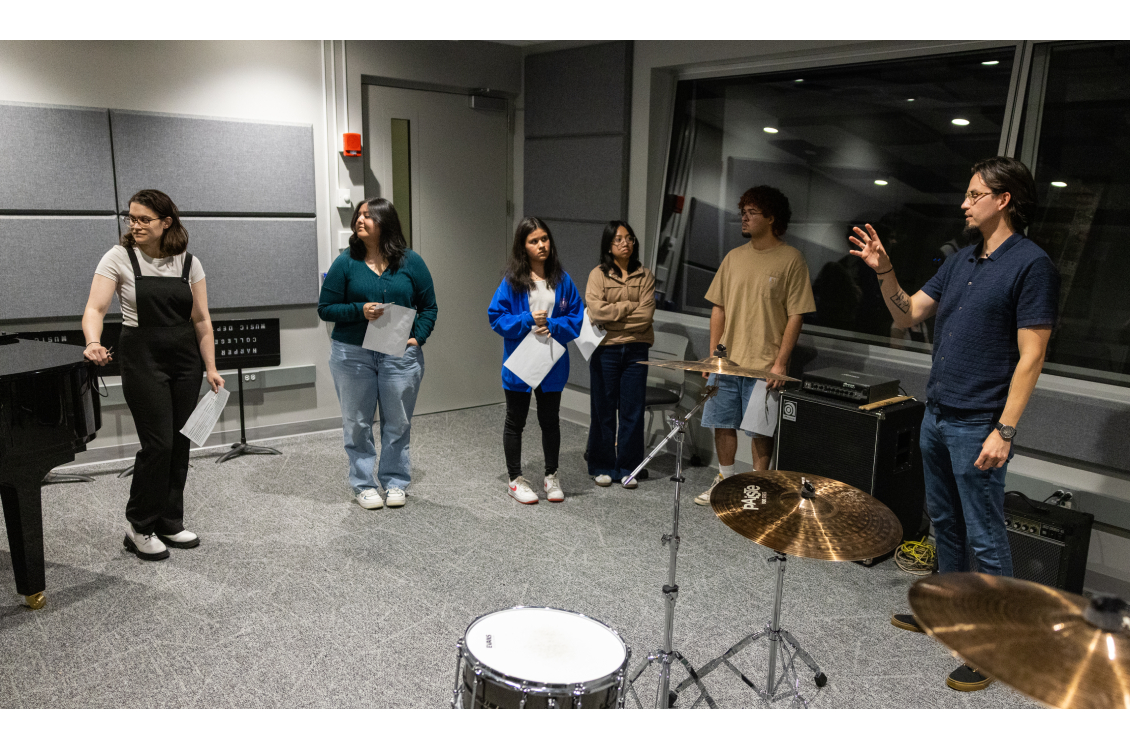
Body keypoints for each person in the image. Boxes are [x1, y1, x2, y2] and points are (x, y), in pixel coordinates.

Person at [849, 156, 1059, 692]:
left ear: (1003, 199)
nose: (964, 203)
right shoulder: (962, 260)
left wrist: (1004, 431)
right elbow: (907, 314)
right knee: (943, 523)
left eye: (973, 195)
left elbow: (1031, 357)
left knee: (986, 536)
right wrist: (883, 271)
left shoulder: (1031, 265)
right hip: (937, 413)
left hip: (979, 423)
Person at [82, 189, 224, 561]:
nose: (135, 225)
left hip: (185, 360)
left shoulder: (189, 263)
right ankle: (139, 525)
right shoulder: (118, 257)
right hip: (142, 358)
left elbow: (202, 321)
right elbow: (95, 308)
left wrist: (210, 367)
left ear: (167, 222)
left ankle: (169, 520)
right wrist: (93, 341)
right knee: (158, 444)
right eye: (131, 217)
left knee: (180, 443)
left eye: (144, 219)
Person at [694, 186, 816, 505]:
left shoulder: (791, 259)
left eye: (752, 212)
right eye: (743, 212)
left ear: (772, 217)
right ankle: (724, 480)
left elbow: (796, 314)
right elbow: (717, 306)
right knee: (722, 423)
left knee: (761, 431)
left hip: (764, 365)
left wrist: (781, 362)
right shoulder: (733, 257)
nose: (744, 218)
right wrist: (712, 355)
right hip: (728, 361)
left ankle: (756, 489)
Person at [318, 198, 438, 510]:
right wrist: (360, 310)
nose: (360, 220)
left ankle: (395, 481)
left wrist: (418, 338)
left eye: (368, 216)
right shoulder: (345, 263)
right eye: (358, 215)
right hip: (352, 354)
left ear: (385, 222)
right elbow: (325, 308)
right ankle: (363, 484)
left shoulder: (411, 262)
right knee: (357, 423)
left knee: (397, 422)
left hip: (398, 353)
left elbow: (429, 307)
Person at [488, 218, 583, 504]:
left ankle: (551, 476)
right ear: (523, 246)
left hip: (551, 363)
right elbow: (496, 317)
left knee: (550, 420)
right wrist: (528, 319)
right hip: (521, 362)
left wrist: (553, 325)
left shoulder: (563, 280)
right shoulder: (512, 281)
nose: (541, 245)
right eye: (534, 241)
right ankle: (515, 479)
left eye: (544, 239)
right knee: (515, 421)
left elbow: (576, 319)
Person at [584, 221, 655, 489]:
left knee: (632, 411)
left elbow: (646, 316)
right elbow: (595, 312)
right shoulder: (598, 275)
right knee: (603, 409)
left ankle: (629, 467)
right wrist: (628, 306)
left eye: (629, 238)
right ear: (609, 246)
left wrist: (612, 316)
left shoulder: (645, 275)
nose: (625, 243)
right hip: (606, 349)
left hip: (637, 349)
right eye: (618, 239)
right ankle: (601, 465)